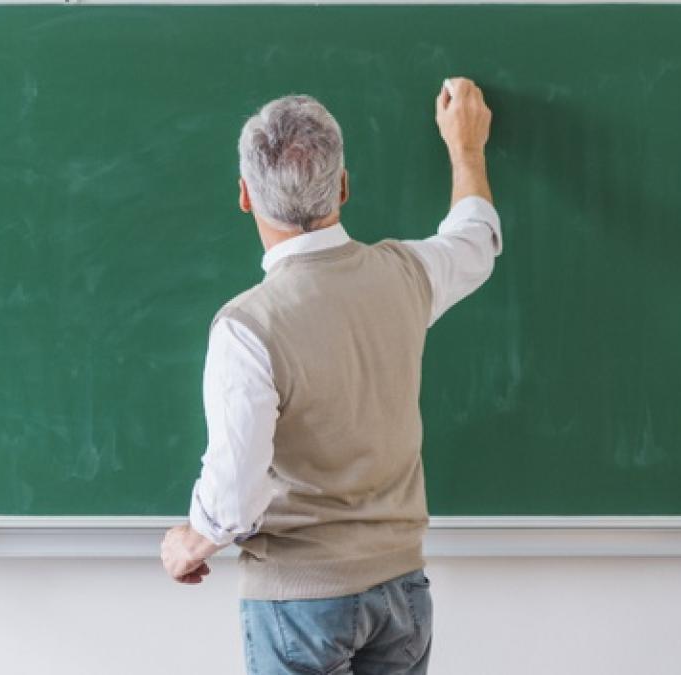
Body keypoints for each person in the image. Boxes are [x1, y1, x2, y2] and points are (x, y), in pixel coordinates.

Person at [160, 78, 501, 674]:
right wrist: (466, 149)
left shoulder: (247, 327)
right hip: (402, 592)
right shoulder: (406, 275)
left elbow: (234, 494)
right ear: (342, 185)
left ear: (245, 195)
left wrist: (191, 541)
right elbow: (476, 240)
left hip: (299, 602)